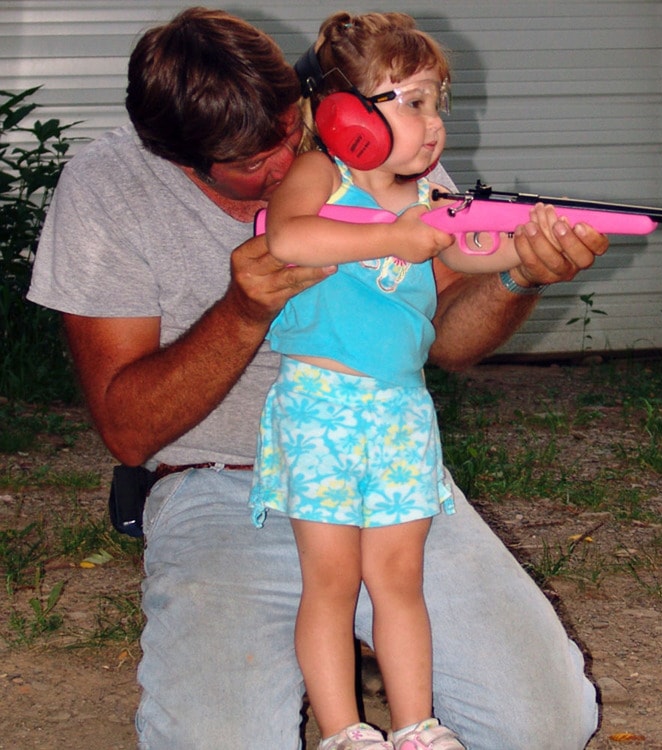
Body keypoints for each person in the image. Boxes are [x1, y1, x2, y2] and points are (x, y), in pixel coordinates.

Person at [26, 7, 609, 750]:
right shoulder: (109, 186)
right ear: (180, 159)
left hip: (386, 457)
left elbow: (451, 342)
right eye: (250, 164)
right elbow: (128, 429)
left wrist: (521, 273)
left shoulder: (376, 138)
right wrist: (243, 311)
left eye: (291, 131)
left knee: (546, 726)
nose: (285, 169)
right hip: (222, 487)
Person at [250, 12, 538, 750]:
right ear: (344, 114)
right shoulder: (323, 174)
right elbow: (288, 237)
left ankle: (414, 726)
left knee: (399, 579)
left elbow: (473, 250)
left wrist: (529, 242)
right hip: (321, 409)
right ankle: (346, 731)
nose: (433, 121)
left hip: (402, 412)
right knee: (332, 581)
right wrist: (397, 234)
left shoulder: (423, 195)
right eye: (410, 100)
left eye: (437, 100)